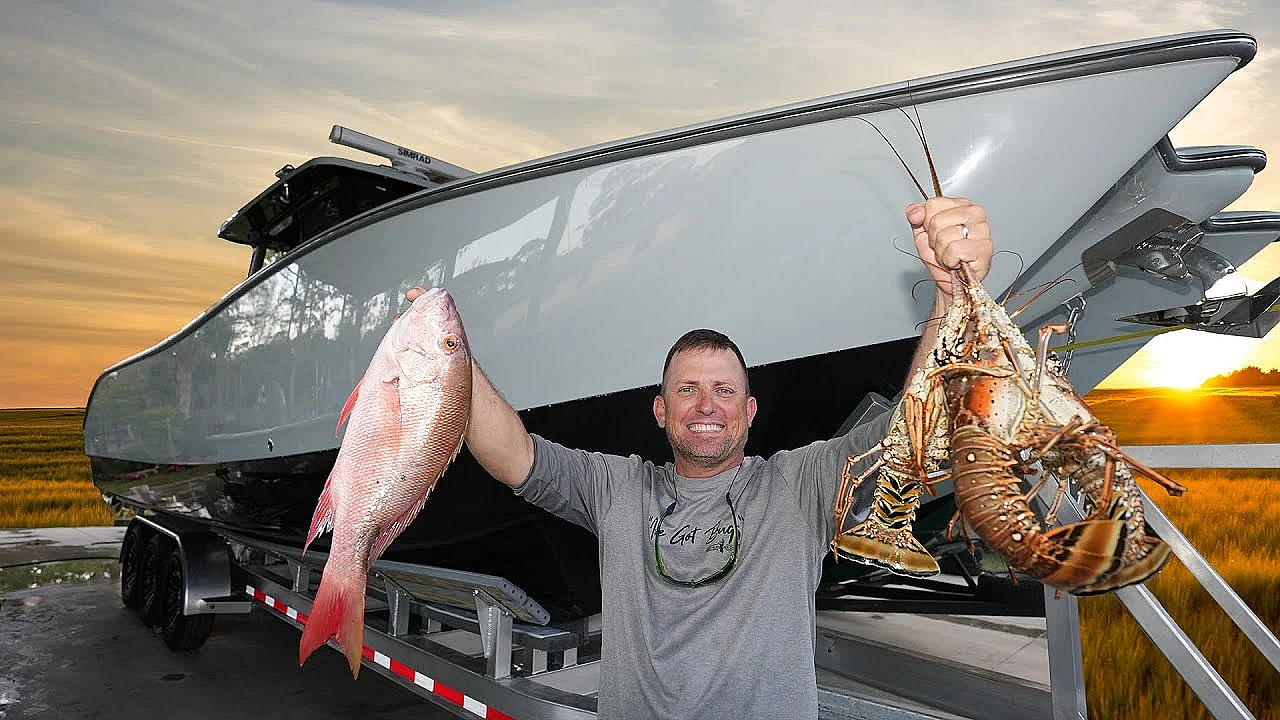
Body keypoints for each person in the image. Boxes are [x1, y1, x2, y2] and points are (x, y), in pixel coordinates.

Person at [418, 196, 993, 719]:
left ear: (749, 411)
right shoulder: (616, 487)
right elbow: (513, 455)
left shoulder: (800, 485)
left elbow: (911, 431)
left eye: (724, 391)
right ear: (660, 411)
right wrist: (449, 353)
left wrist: (951, 296)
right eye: (687, 389)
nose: (706, 405)